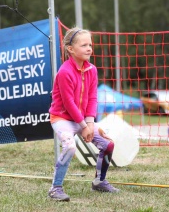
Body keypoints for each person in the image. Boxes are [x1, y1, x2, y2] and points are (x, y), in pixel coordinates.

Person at [48, 28, 119, 202]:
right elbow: (68, 104)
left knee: (108, 144)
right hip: (62, 118)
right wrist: (84, 126)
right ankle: (55, 188)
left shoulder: (92, 70)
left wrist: (90, 123)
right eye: (84, 45)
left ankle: (99, 182)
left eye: (90, 45)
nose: (89, 48)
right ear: (70, 49)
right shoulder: (64, 72)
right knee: (70, 147)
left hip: (83, 121)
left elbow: (93, 97)